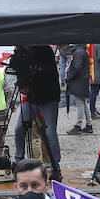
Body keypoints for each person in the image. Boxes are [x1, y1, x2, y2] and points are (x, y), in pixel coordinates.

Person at [8, 46, 63, 180]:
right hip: (32, 98)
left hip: (49, 98)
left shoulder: (45, 51)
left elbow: (48, 74)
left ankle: (55, 165)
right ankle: (18, 160)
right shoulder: (25, 53)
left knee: (50, 132)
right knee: (19, 128)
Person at [64, 44, 93, 135]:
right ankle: (89, 124)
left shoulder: (78, 52)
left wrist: (68, 76)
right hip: (82, 80)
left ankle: (78, 125)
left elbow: (76, 67)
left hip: (79, 81)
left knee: (80, 103)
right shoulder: (81, 50)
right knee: (83, 103)